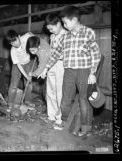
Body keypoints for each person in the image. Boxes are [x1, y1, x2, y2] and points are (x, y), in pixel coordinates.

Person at [38, 6, 101, 136]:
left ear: (74, 19)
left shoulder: (88, 32)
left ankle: (85, 127)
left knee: (84, 99)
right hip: (69, 71)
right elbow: (55, 54)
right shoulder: (64, 37)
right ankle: (67, 121)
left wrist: (93, 73)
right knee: (65, 100)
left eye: (65, 22)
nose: (64, 25)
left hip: (84, 70)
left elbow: (96, 54)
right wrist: (46, 69)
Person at [45, 13, 68, 129]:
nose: (50, 31)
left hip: (61, 65)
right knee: (50, 91)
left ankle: (60, 118)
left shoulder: (66, 35)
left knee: (59, 92)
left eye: (51, 28)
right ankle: (52, 115)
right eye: (48, 29)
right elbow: (50, 52)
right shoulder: (52, 36)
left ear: (58, 24)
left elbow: (60, 54)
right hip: (51, 65)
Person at [5, 30, 36, 109]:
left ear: (19, 37)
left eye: (15, 40)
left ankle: (28, 101)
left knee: (28, 83)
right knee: (14, 84)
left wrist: (35, 41)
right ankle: (11, 103)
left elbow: (30, 33)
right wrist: (26, 76)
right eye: (11, 43)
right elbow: (18, 65)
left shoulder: (25, 38)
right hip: (17, 66)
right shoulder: (13, 51)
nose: (14, 44)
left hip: (28, 62)